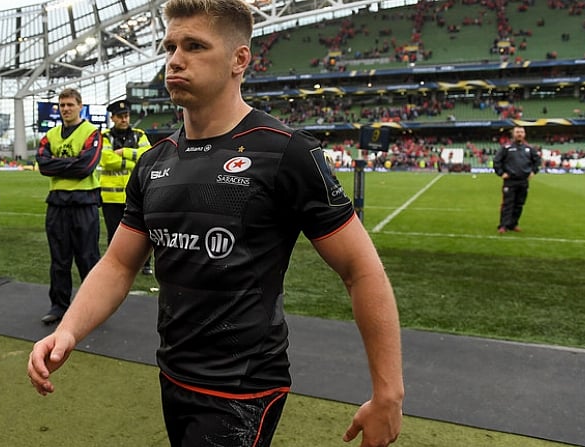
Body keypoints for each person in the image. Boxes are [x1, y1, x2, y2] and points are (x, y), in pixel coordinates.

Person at [28, 1, 404, 446]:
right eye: (170, 46)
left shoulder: (287, 153)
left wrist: (388, 394)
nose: (174, 59)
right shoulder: (153, 162)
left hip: (243, 388)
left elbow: (360, 270)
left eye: (194, 46)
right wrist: (68, 330)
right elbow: (118, 265)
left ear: (239, 59)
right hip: (172, 372)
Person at [35, 87, 103, 325]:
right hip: (57, 204)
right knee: (59, 260)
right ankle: (59, 305)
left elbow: (86, 167)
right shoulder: (50, 135)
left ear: (80, 106)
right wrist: (70, 163)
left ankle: (92, 307)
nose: (65, 109)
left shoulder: (91, 132)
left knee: (88, 258)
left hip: (84, 203)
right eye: (62, 105)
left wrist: (58, 163)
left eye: (70, 105)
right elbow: (43, 165)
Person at [100, 99, 153, 274]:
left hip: (137, 194)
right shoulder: (105, 136)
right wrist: (133, 161)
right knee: (114, 234)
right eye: (120, 116)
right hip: (112, 196)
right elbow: (106, 160)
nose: (124, 119)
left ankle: (145, 265)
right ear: (113, 118)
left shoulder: (139, 134)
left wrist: (124, 152)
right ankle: (115, 265)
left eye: (127, 115)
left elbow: (149, 156)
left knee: (144, 232)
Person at [493, 126, 541, 233]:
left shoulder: (529, 148)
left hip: (524, 181)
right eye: (517, 132)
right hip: (510, 180)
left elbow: (537, 161)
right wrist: (501, 173)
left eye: (522, 132)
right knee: (507, 203)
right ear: (513, 134)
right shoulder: (506, 147)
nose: (519, 134)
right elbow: (497, 161)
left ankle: (513, 224)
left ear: (524, 134)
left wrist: (533, 171)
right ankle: (503, 226)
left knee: (519, 204)